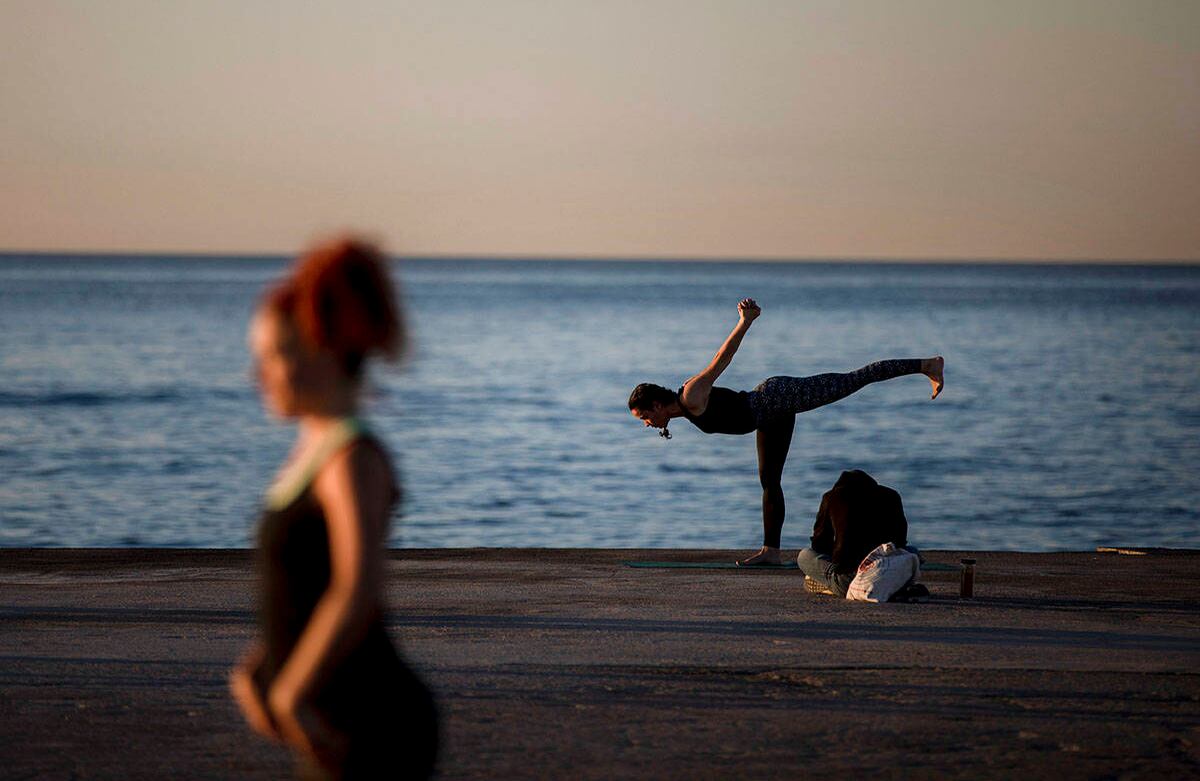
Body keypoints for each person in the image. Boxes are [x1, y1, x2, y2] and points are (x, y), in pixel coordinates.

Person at [229, 237, 437, 780]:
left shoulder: (351, 457)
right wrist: (262, 665)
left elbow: (356, 586)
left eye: (276, 355)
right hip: (332, 712)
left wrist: (292, 689)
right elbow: (304, 586)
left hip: (373, 722)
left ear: (322, 348)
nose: (260, 375)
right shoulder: (312, 449)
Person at [627, 298, 943, 567]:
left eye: (644, 416)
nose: (646, 423)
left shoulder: (691, 394)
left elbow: (722, 358)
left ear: (656, 404)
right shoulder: (682, 410)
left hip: (777, 397)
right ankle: (771, 551)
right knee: (769, 480)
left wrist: (745, 321)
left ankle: (927, 364)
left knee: (856, 378)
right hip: (768, 416)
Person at [797, 468, 912, 597]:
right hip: (887, 575)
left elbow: (819, 544)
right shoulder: (892, 496)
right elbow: (901, 541)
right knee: (912, 551)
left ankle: (832, 583)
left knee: (804, 555)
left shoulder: (831, 497)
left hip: (848, 579)